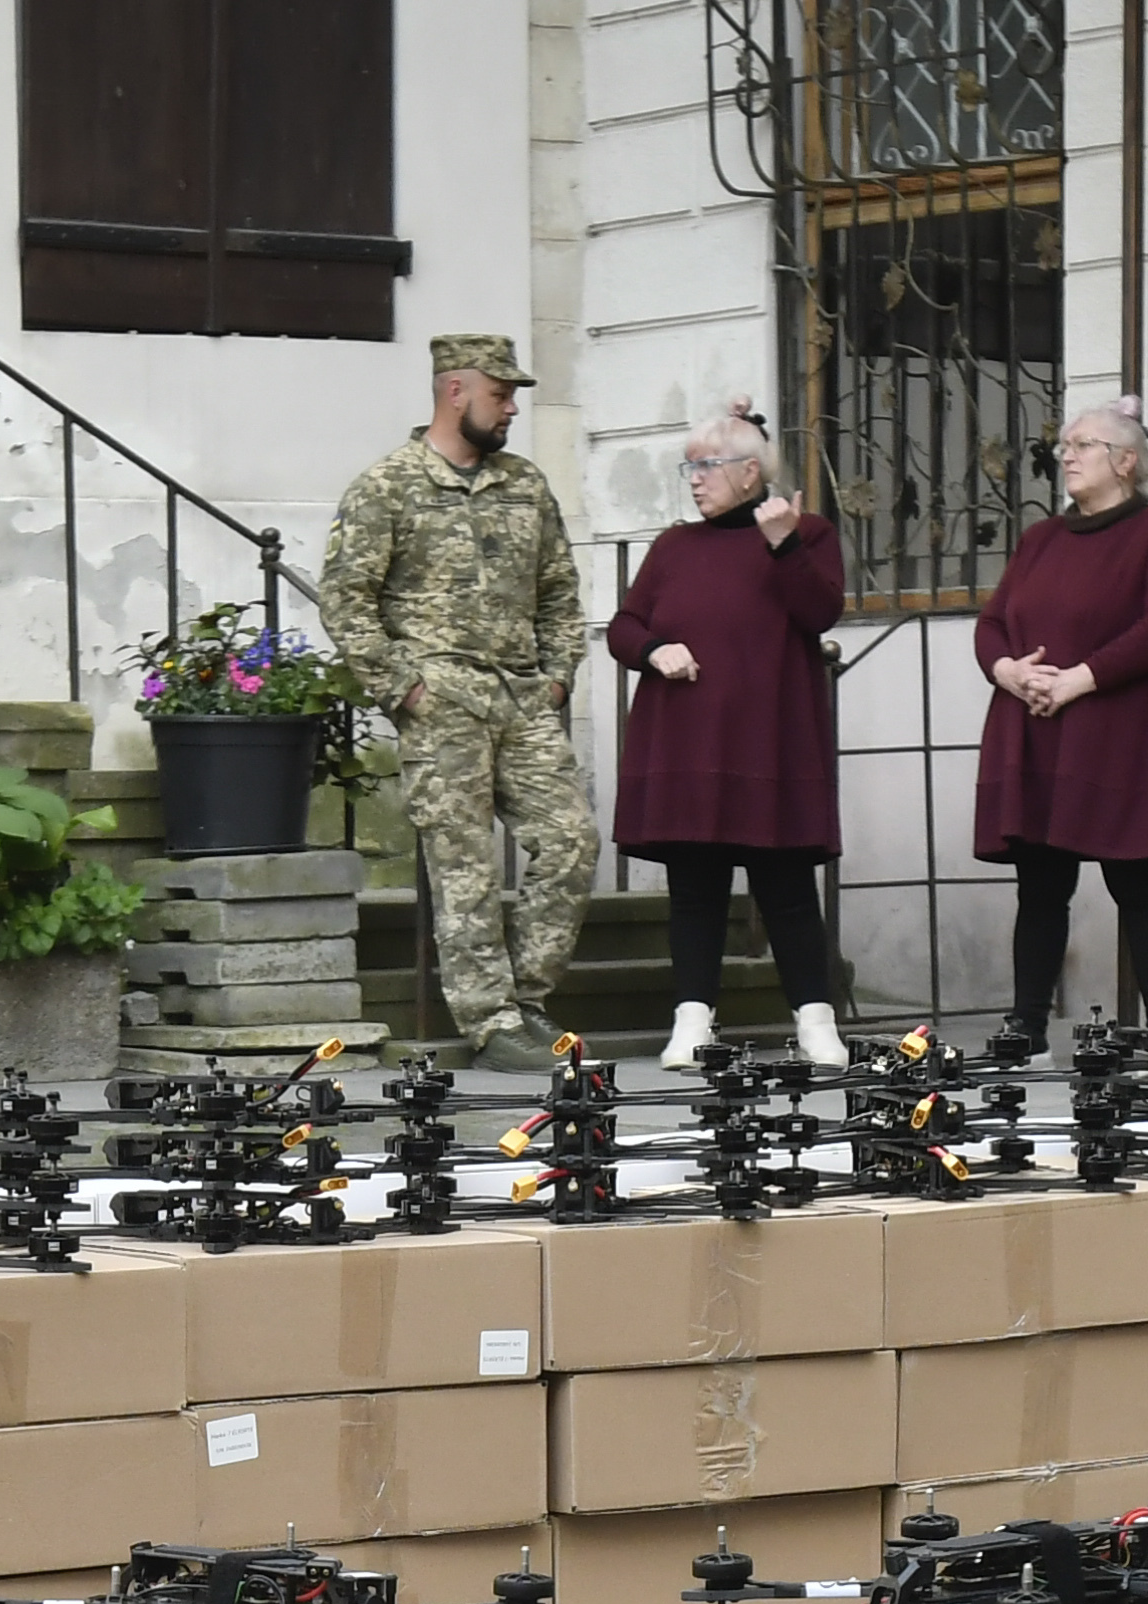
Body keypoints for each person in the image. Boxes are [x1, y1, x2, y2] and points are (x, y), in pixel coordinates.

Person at [321, 332, 592, 1070]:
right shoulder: (389, 485)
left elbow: (560, 593)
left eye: (512, 396)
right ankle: (492, 1022)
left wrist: (559, 674)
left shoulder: (526, 486)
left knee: (570, 841)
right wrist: (400, 685)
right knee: (464, 864)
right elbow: (346, 598)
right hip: (441, 701)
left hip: (521, 698)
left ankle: (528, 1000)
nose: (509, 409)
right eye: (500, 394)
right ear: (455, 391)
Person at [603, 400, 847, 1071]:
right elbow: (623, 626)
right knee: (696, 889)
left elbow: (820, 610)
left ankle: (815, 1023)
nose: (694, 479)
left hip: (770, 741)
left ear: (749, 472)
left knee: (788, 888)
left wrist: (783, 543)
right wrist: (654, 650)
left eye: (705, 465)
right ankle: (691, 1022)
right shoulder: (673, 547)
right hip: (687, 744)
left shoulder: (807, 533)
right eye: (689, 466)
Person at [969, 398, 1148, 1060]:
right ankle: (1027, 1026)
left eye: (1083, 444)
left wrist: (1079, 678)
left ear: (1125, 462)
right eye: (1065, 445)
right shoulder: (1041, 538)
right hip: (1036, 725)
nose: (1066, 454)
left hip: (1119, 730)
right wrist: (1008, 670)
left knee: (1138, 881)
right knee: (1040, 886)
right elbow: (993, 621)